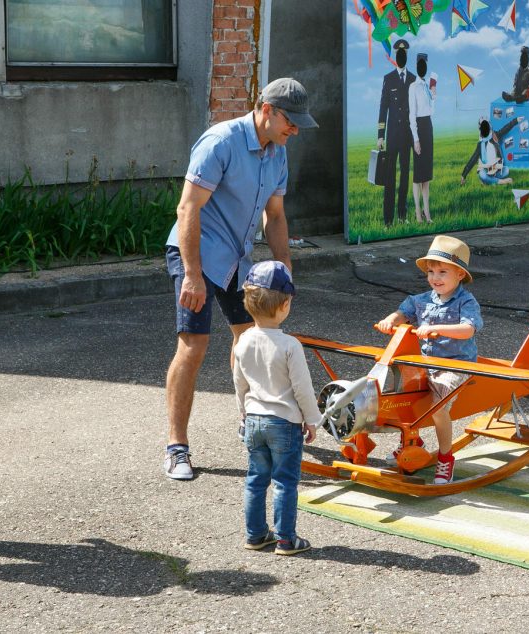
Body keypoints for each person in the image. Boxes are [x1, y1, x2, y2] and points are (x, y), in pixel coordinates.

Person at [162, 78, 318, 481]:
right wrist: (193, 275)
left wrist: (284, 270)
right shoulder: (221, 141)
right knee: (194, 345)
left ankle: (248, 420)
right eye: (290, 121)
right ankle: (177, 447)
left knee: (249, 339)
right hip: (195, 252)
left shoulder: (277, 152)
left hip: (237, 258)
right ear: (266, 109)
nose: (295, 130)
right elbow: (187, 208)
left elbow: (276, 215)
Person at [375, 235, 482, 484]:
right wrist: (392, 320)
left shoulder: (466, 302)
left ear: (460, 275)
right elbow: (404, 312)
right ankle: (413, 441)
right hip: (425, 361)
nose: (435, 277)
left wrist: (439, 329)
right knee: (397, 392)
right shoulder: (421, 299)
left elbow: (468, 329)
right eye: (431, 271)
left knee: (438, 407)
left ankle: (446, 458)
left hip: (455, 363)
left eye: (443, 271)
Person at [233, 261, 320, 556]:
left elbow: (239, 383)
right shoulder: (290, 345)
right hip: (284, 422)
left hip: (254, 419)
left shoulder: (243, 340)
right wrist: (313, 420)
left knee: (256, 479)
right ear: (284, 305)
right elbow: (302, 389)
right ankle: (286, 538)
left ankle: (256, 535)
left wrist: (243, 414)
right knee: (284, 482)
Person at [377, 39, 415, 226]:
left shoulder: (414, 79)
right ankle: (388, 220)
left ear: (406, 55)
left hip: (407, 136)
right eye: (399, 53)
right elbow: (383, 108)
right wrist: (380, 137)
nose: (401, 56)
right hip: (392, 136)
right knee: (389, 178)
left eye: (404, 53)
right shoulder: (388, 78)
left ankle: (402, 215)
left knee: (405, 176)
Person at [408, 53, 435, 224]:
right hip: (418, 127)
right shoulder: (413, 87)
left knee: (426, 176)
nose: (422, 67)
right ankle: (418, 212)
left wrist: (434, 95)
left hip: (428, 127)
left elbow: (431, 111)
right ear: (417, 67)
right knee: (418, 176)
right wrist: (416, 139)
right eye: (420, 64)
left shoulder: (426, 86)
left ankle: (427, 212)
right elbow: (412, 115)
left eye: (424, 63)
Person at [460, 116, 525, 186]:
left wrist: (515, 120)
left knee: (506, 170)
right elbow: (473, 160)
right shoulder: (480, 144)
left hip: (496, 168)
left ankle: (488, 181)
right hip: (485, 170)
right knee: (482, 175)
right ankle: (501, 181)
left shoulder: (495, 136)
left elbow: (505, 129)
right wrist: (464, 175)